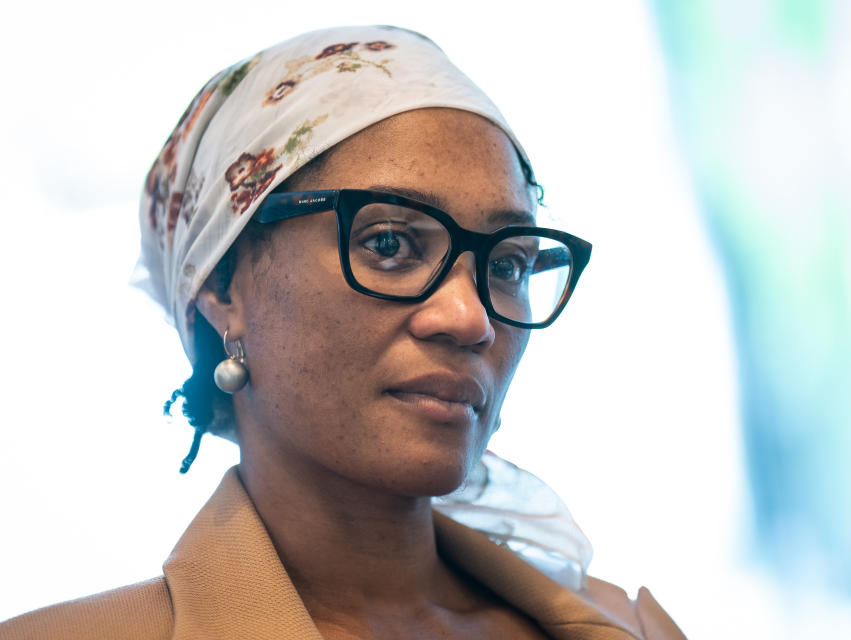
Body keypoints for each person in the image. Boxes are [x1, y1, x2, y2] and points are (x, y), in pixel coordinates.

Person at [0, 26, 685, 639]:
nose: (470, 318)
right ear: (222, 285)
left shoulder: (632, 630)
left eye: (506, 264)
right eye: (389, 244)